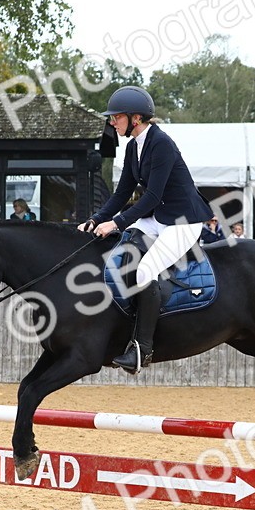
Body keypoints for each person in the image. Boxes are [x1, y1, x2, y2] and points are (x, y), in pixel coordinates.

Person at [79, 85, 213, 374]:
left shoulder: (161, 143)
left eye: (116, 117)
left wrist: (116, 222)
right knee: (124, 252)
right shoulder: (132, 147)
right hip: (157, 217)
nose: (112, 122)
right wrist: (98, 217)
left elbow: (152, 196)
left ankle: (142, 349)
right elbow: (122, 192)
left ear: (135, 118)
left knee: (144, 272)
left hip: (183, 220)